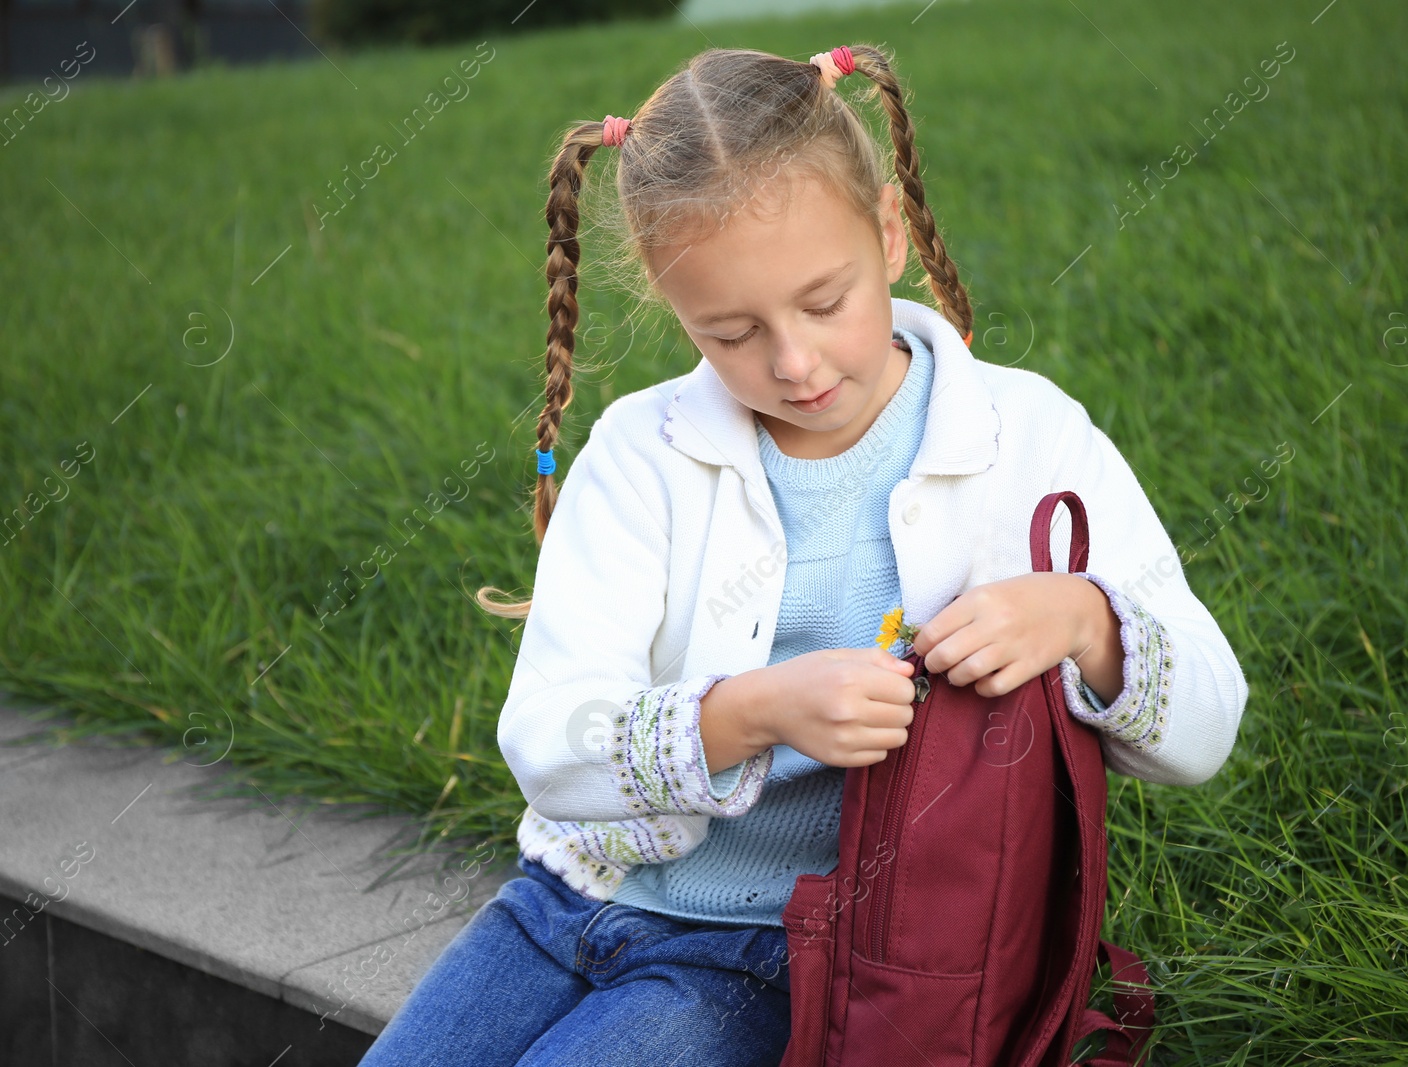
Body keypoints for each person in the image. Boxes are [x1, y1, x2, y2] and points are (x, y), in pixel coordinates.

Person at [358, 42, 1248, 1067]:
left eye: (825, 303)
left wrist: (1085, 620)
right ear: (666, 292)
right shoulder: (643, 455)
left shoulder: (1026, 438)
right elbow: (547, 741)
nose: (792, 361)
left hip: (773, 949)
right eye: (730, 332)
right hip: (566, 900)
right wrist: (754, 712)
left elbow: (1207, 722)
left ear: (887, 228)